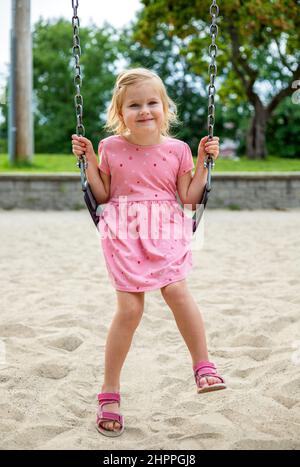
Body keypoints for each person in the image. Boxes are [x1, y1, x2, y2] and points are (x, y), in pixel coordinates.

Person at [71, 67, 226, 438]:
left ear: (164, 107)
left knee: (177, 291)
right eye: (134, 105)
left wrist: (206, 163)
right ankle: (109, 391)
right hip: (124, 231)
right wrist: (90, 158)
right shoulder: (110, 148)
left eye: (152, 102)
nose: (144, 111)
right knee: (129, 308)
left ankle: (203, 366)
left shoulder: (178, 150)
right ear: (119, 112)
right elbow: (104, 194)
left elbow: (189, 197)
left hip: (166, 227)